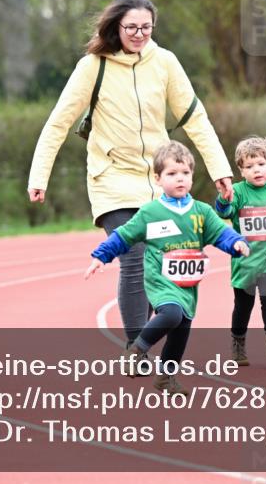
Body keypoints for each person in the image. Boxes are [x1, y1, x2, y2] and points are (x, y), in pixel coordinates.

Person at [28, 0, 235, 352]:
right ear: (116, 27)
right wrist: (39, 176)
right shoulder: (93, 66)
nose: (139, 34)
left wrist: (220, 169)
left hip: (158, 178)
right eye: (131, 28)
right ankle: (135, 347)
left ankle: (147, 339)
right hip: (111, 177)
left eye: (146, 27)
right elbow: (58, 122)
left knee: (160, 258)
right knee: (134, 256)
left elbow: (195, 119)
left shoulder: (165, 62)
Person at [85, 141, 250, 394]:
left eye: (185, 173)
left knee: (181, 329)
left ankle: (166, 377)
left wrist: (236, 242)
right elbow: (124, 235)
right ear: (158, 179)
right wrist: (101, 255)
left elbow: (221, 233)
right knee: (172, 314)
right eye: (172, 173)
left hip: (187, 284)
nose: (179, 178)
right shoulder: (151, 212)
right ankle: (136, 350)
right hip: (160, 280)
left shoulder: (201, 211)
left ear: (192, 176)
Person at [214, 136, 266, 365]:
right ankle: (238, 344)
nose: (256, 170)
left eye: (261, 164)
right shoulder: (238, 192)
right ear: (241, 171)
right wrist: (224, 199)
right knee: (243, 306)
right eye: (249, 166)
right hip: (245, 260)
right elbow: (224, 213)